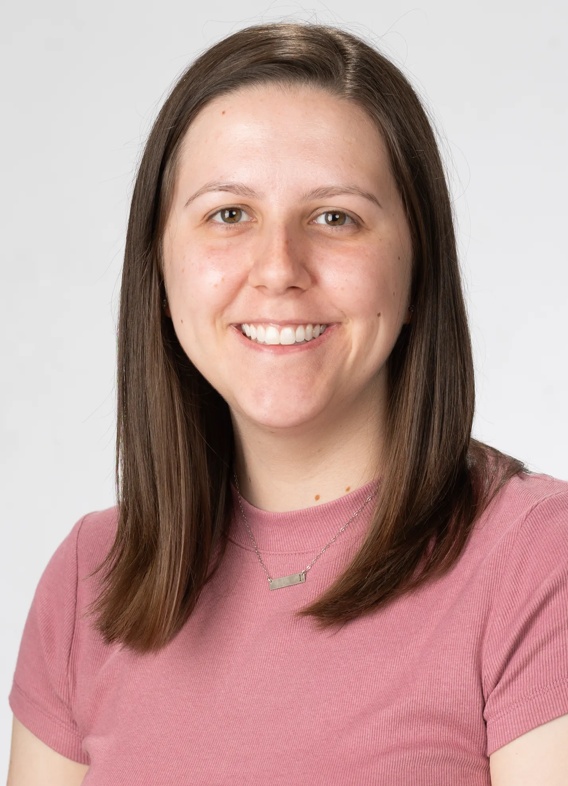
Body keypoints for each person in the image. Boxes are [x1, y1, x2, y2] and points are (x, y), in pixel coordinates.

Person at [7, 21, 568, 786]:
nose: (278, 269)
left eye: (335, 217)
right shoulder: (89, 579)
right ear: (161, 268)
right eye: (228, 215)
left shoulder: (538, 560)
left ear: (417, 269)